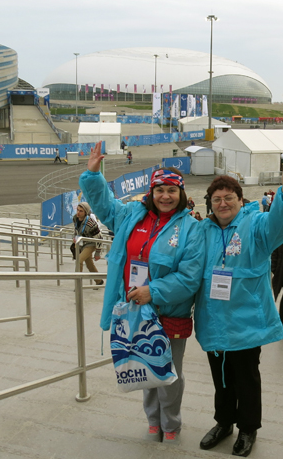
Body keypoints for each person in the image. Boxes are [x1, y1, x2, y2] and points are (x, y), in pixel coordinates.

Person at [79, 142, 203, 444]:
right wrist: (93, 174)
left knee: (170, 373)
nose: (165, 196)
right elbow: (105, 206)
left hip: (168, 312)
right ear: (151, 192)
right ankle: (152, 419)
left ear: (181, 194)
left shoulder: (190, 228)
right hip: (134, 309)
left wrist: (154, 291)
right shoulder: (131, 214)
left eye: (172, 191)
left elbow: (189, 277)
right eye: (159, 190)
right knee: (144, 366)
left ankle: (171, 422)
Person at [195, 155, 283, 457]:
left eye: (229, 198)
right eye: (216, 199)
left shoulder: (255, 225)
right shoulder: (204, 230)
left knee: (245, 377)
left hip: (245, 321)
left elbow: (279, 225)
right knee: (221, 378)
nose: (222, 204)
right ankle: (224, 422)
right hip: (213, 320)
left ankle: (247, 428)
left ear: (241, 200)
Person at [72, 202, 104, 286]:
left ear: (86, 212)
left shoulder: (91, 223)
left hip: (91, 243)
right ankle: (99, 281)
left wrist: (97, 253)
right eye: (77, 210)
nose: (78, 212)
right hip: (82, 243)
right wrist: (74, 237)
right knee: (89, 264)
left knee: (79, 260)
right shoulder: (75, 218)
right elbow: (76, 230)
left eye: (81, 211)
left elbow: (99, 238)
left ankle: (78, 283)